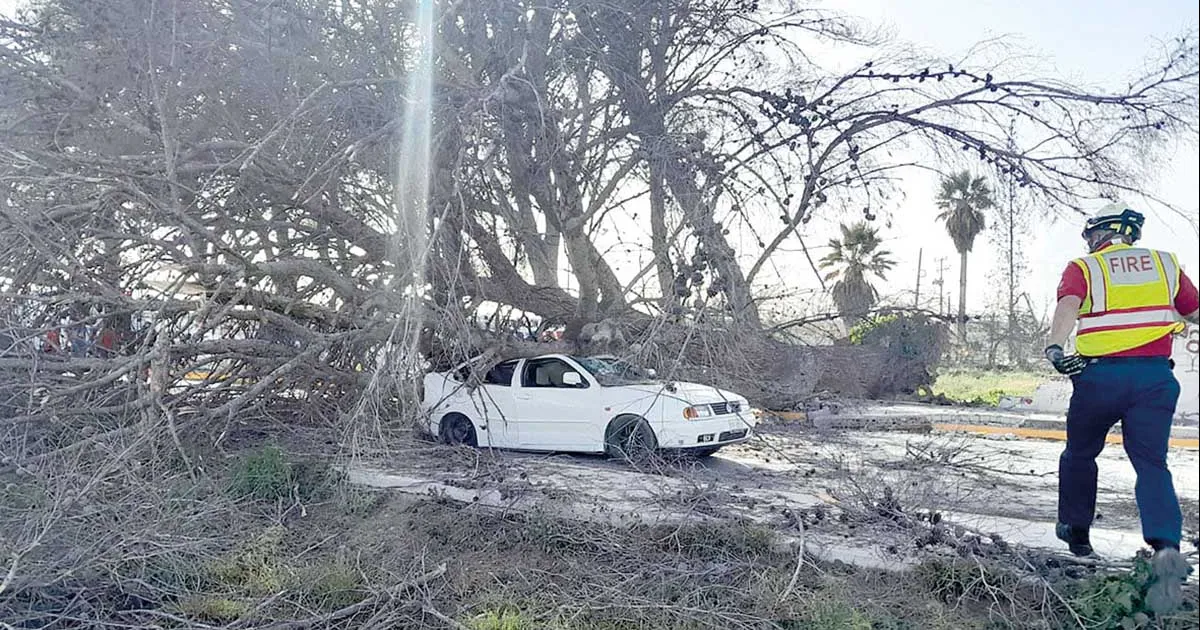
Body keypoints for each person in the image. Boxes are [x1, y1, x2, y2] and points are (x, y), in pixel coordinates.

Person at [1043, 202, 1198, 613]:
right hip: (1153, 379)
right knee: (1152, 464)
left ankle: (1077, 534)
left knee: (1080, 453)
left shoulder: (1085, 267)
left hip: (1099, 378)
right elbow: (1195, 310)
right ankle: (1166, 545)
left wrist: (1056, 347)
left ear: (1100, 234)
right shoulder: (1166, 266)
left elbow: (1068, 307)